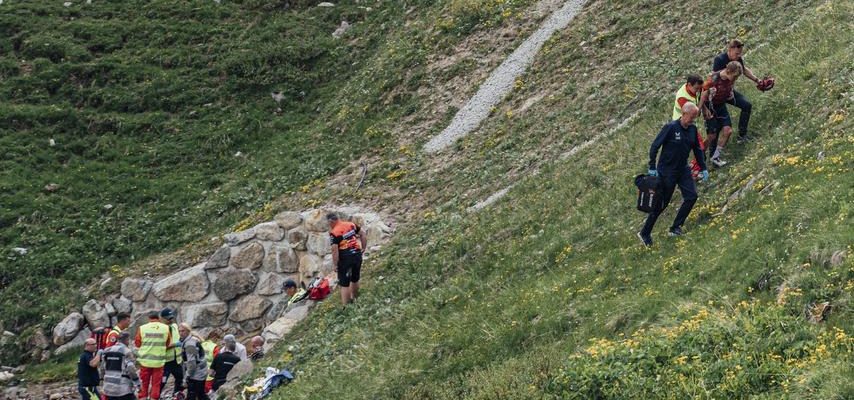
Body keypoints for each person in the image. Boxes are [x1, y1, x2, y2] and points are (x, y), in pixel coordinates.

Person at [638, 103, 708, 247]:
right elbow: (655, 146)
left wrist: (703, 167)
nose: (693, 120)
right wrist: (652, 166)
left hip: (683, 170)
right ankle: (645, 232)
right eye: (691, 117)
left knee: (692, 196)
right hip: (667, 172)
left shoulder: (693, 130)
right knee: (662, 204)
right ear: (684, 114)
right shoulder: (670, 128)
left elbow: (697, 149)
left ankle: (675, 227)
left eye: (695, 117)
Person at [712, 39, 766, 143]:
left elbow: (744, 70)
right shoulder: (719, 60)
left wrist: (757, 80)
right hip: (717, 95)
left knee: (746, 105)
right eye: (737, 53)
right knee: (716, 125)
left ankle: (742, 135)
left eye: (740, 53)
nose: (738, 56)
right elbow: (714, 79)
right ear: (730, 49)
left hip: (729, 92)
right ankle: (713, 150)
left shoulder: (737, 59)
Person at [700, 61, 742, 167]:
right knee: (712, 136)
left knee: (728, 131)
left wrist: (730, 93)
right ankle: (699, 154)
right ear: (728, 71)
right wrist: (703, 109)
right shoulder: (713, 79)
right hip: (710, 107)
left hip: (721, 106)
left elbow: (730, 85)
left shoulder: (731, 79)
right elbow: (702, 94)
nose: (735, 79)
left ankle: (716, 156)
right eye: (734, 76)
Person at [328, 212, 367, 305]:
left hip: (345, 259)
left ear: (331, 222)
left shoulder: (334, 232)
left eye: (328, 223)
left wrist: (335, 264)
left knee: (344, 284)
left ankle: (347, 306)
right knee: (355, 279)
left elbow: (334, 250)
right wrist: (363, 247)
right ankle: (356, 299)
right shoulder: (351, 224)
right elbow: (363, 233)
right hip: (357, 254)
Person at [672, 74, 707, 180]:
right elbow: (694, 113)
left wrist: (705, 108)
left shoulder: (694, 87)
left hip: (689, 124)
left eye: (699, 89)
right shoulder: (682, 97)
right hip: (682, 126)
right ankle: (693, 171)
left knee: (698, 147)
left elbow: (700, 96)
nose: (698, 91)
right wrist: (701, 105)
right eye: (696, 89)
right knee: (698, 147)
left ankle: (694, 168)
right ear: (689, 85)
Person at [135, 310, 172, 400]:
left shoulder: (142, 328)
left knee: (144, 383)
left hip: (145, 362)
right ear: (158, 318)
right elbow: (167, 343)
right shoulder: (166, 328)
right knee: (156, 384)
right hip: (158, 363)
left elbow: (137, 343)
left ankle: (143, 398)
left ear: (149, 319)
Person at [100, 332, 140, 400]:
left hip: (108, 388)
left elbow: (102, 368)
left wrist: (102, 381)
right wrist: (137, 382)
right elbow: (131, 369)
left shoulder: (106, 351)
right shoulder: (126, 351)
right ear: (127, 340)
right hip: (123, 389)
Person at [178, 323, 208, 400]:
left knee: (196, 394)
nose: (181, 333)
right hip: (200, 371)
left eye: (183, 331)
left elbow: (192, 363)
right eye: (179, 331)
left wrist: (186, 377)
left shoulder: (189, 344)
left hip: (197, 373)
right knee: (199, 394)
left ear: (188, 331)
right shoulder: (191, 340)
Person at [159, 308, 184, 398]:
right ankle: (155, 397)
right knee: (162, 382)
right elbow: (160, 346)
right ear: (162, 319)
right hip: (165, 361)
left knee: (180, 379)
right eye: (168, 319)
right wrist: (175, 345)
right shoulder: (160, 330)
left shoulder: (174, 326)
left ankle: (176, 396)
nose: (171, 320)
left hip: (176, 360)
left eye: (171, 318)